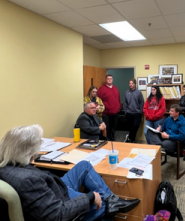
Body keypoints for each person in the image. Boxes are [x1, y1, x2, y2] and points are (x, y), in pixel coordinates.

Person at [0, 125, 140, 221]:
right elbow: (58, 216)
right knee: (103, 204)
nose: (38, 151)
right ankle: (109, 204)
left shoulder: (6, 165)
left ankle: (112, 199)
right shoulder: (28, 181)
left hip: (55, 189)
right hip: (62, 202)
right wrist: (91, 196)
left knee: (84, 165)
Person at [97, 74, 121, 141]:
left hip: (115, 113)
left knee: (113, 128)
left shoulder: (115, 88)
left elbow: (118, 99)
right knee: (106, 128)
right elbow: (98, 100)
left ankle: (113, 139)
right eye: (108, 79)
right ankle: (107, 140)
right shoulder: (101, 89)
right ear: (106, 80)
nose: (109, 80)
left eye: (111, 79)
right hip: (106, 113)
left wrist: (119, 107)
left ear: (112, 80)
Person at [123, 78, 144, 143]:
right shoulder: (126, 92)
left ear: (135, 84)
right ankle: (133, 140)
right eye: (130, 83)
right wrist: (125, 111)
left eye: (132, 83)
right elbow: (125, 102)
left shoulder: (139, 92)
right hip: (129, 113)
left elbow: (142, 102)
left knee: (136, 126)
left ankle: (129, 137)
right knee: (130, 128)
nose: (131, 85)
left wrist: (140, 111)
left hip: (137, 113)